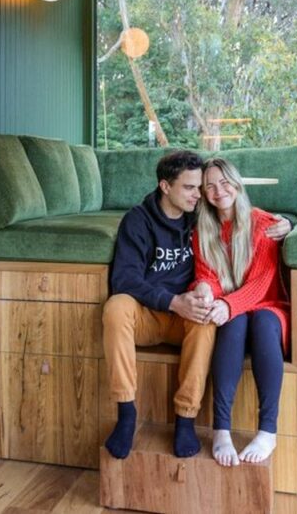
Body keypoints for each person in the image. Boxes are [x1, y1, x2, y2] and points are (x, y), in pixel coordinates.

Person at [103, 150, 215, 459]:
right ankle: (126, 413)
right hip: (148, 316)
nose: (198, 194)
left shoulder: (201, 214)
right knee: (116, 306)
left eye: (199, 187)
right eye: (189, 187)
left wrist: (283, 223)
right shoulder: (137, 221)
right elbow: (124, 280)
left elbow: (243, 213)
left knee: (206, 319)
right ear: (166, 187)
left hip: (185, 319)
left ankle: (186, 418)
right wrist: (172, 301)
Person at [191, 157, 291, 467]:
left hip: (268, 306)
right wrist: (206, 291)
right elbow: (206, 274)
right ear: (205, 194)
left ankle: (267, 431)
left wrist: (228, 304)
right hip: (231, 310)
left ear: (236, 183)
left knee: (260, 322)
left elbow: (262, 283)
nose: (218, 190)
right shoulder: (202, 231)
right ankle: (221, 429)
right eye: (210, 186)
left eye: (223, 182)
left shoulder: (263, 224)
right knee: (233, 326)